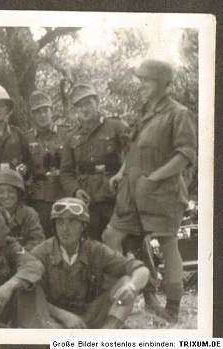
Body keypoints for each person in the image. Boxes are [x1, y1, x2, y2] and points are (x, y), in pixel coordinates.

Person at [102, 59, 197, 323]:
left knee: (168, 246)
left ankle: (173, 309)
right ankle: (127, 291)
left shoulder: (179, 113)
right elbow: (133, 151)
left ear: (164, 84)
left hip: (162, 193)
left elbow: (186, 154)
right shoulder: (145, 114)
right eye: (140, 80)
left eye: (147, 80)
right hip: (131, 192)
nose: (141, 85)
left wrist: (154, 177)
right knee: (111, 236)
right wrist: (121, 173)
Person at [31, 198, 149, 329]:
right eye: (60, 222)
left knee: (126, 281)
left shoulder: (95, 250)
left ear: (83, 226)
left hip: (89, 315)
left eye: (72, 222)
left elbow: (140, 269)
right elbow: (31, 295)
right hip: (53, 319)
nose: (65, 228)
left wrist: (131, 287)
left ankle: (105, 336)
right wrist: (63, 316)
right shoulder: (41, 253)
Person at [60, 83, 128, 240]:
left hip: (115, 198)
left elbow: (135, 153)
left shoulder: (116, 126)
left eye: (88, 104)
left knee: (124, 246)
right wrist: (75, 191)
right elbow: (66, 172)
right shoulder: (71, 137)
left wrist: (121, 175)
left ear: (97, 103)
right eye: (79, 106)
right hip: (88, 201)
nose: (84, 109)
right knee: (94, 249)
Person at [26, 90, 70, 236]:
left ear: (52, 111)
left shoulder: (67, 133)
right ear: (32, 115)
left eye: (45, 110)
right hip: (38, 199)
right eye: (38, 112)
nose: (42, 115)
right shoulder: (27, 138)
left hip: (63, 195)